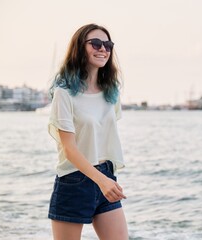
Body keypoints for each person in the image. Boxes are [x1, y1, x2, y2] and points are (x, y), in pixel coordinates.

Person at [47, 23, 128, 240]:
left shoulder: (111, 93)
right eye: (96, 43)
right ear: (79, 47)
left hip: (107, 175)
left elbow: (102, 137)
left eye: (108, 45)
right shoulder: (64, 93)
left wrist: (105, 179)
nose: (103, 49)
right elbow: (69, 148)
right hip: (75, 179)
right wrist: (101, 181)